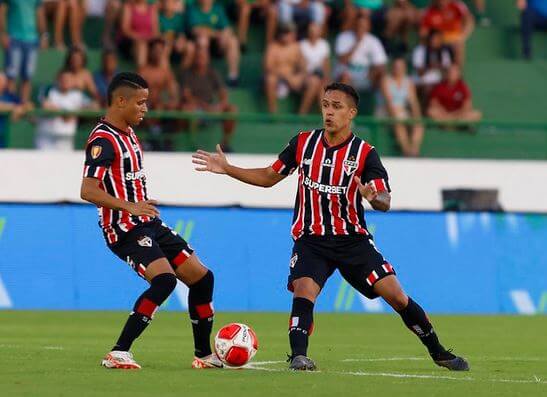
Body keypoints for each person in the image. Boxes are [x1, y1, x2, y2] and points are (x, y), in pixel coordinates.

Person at [192, 82, 469, 372]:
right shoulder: (302, 143)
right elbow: (269, 176)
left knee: (396, 295)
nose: (329, 112)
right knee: (304, 290)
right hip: (311, 239)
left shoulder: (365, 153)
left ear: (351, 113)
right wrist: (228, 168)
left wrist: (374, 196)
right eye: (325, 104)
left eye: (336, 107)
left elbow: (384, 199)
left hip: (353, 241)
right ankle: (299, 356)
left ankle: (438, 352)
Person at [80, 72, 221, 370]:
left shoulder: (128, 133)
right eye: (141, 103)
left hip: (146, 222)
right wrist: (129, 206)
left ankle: (204, 354)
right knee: (165, 280)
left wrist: (138, 205)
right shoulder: (103, 140)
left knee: (202, 278)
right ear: (120, 101)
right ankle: (119, 352)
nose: (146, 109)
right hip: (123, 228)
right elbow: (88, 190)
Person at [179, 48, 237, 151]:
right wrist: (204, 106)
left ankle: (225, 144)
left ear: (208, 59)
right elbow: (186, 96)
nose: (200, 60)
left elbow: (223, 92)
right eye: (198, 57)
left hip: (211, 108)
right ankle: (192, 143)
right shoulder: (187, 73)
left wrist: (220, 105)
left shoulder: (212, 73)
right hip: (196, 107)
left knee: (232, 109)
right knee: (187, 109)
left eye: (203, 57)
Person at [264, 23, 322, 114]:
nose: (284, 35)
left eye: (287, 32)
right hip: (279, 78)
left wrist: (300, 76)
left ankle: (302, 114)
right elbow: (268, 67)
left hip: (293, 79)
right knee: (270, 79)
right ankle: (273, 113)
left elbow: (303, 66)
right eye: (283, 32)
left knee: (314, 81)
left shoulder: (297, 47)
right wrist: (286, 76)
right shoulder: (273, 47)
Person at [36, 69, 98, 150]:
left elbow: (94, 106)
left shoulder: (77, 95)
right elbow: (44, 105)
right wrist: (63, 113)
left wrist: (75, 112)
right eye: (63, 79)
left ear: (73, 81)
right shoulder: (48, 90)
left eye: (68, 79)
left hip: (66, 140)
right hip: (46, 139)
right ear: (57, 79)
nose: (65, 81)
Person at [0, 0, 48, 103]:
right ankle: (10, 103)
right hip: (14, 39)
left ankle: (24, 103)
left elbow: (40, 13)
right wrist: (3, 33)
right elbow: (2, 12)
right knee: (11, 75)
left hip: (32, 40)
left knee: (28, 75)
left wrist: (44, 35)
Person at [376, 58, 424, 157]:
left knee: (418, 125)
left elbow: (413, 102)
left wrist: (416, 116)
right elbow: (388, 102)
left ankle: (414, 151)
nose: (398, 69)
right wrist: (396, 114)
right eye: (396, 67)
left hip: (402, 112)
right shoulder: (385, 80)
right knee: (399, 123)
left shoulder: (408, 82)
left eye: (400, 67)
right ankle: (406, 152)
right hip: (386, 111)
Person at [187, 0, 240, 86]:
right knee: (203, 40)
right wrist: (216, 34)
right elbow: (196, 30)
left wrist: (224, 35)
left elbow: (227, 28)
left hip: (217, 44)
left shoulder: (218, 8)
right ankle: (203, 77)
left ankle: (233, 77)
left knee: (233, 41)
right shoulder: (192, 9)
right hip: (199, 45)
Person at [334, 13, 387, 92]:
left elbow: (381, 64)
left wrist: (372, 73)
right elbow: (342, 61)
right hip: (346, 73)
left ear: (368, 27)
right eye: (359, 25)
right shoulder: (343, 37)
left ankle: (379, 103)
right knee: (345, 76)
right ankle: (344, 103)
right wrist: (357, 42)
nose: (361, 28)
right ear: (354, 25)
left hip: (365, 75)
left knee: (382, 75)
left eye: (363, 26)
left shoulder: (374, 41)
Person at [420, 0, 474, 66]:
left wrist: (463, 35)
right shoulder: (429, 11)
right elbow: (423, 32)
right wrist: (431, 39)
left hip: (454, 37)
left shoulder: (456, 5)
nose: (442, 2)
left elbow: (469, 20)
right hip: (438, 40)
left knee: (459, 46)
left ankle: (457, 72)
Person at [412, 29, 454, 107]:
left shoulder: (444, 52)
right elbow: (420, 73)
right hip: (421, 82)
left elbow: (447, 71)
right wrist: (431, 66)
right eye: (432, 38)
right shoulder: (420, 50)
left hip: (438, 82)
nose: (434, 41)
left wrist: (438, 66)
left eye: (437, 39)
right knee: (427, 89)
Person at [121, 0, 160, 68]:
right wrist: (140, 37)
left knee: (160, 47)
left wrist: (147, 38)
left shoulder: (152, 9)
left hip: (149, 41)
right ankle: (141, 75)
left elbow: (156, 32)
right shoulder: (128, 7)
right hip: (131, 42)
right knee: (142, 45)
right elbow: (125, 30)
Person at [158, 0, 195, 68]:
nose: (168, 4)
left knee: (190, 47)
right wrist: (170, 40)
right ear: (162, 4)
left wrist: (180, 41)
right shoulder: (158, 17)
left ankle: (184, 72)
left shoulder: (179, 17)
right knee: (165, 48)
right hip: (163, 43)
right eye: (166, 2)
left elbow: (182, 34)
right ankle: (167, 74)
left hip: (176, 43)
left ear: (175, 4)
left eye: (171, 2)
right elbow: (158, 35)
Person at [0, 71, 31, 147]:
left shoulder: (9, 96)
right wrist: (13, 107)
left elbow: (26, 105)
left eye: (2, 81)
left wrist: (23, 108)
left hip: (2, 139)